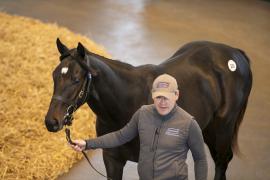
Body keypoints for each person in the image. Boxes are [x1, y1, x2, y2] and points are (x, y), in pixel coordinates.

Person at [69, 74, 208, 180]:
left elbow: (200, 159)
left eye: (167, 97)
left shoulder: (188, 123)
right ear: (153, 96)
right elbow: (120, 136)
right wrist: (87, 144)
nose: (162, 102)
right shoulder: (143, 114)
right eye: (159, 97)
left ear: (176, 95)